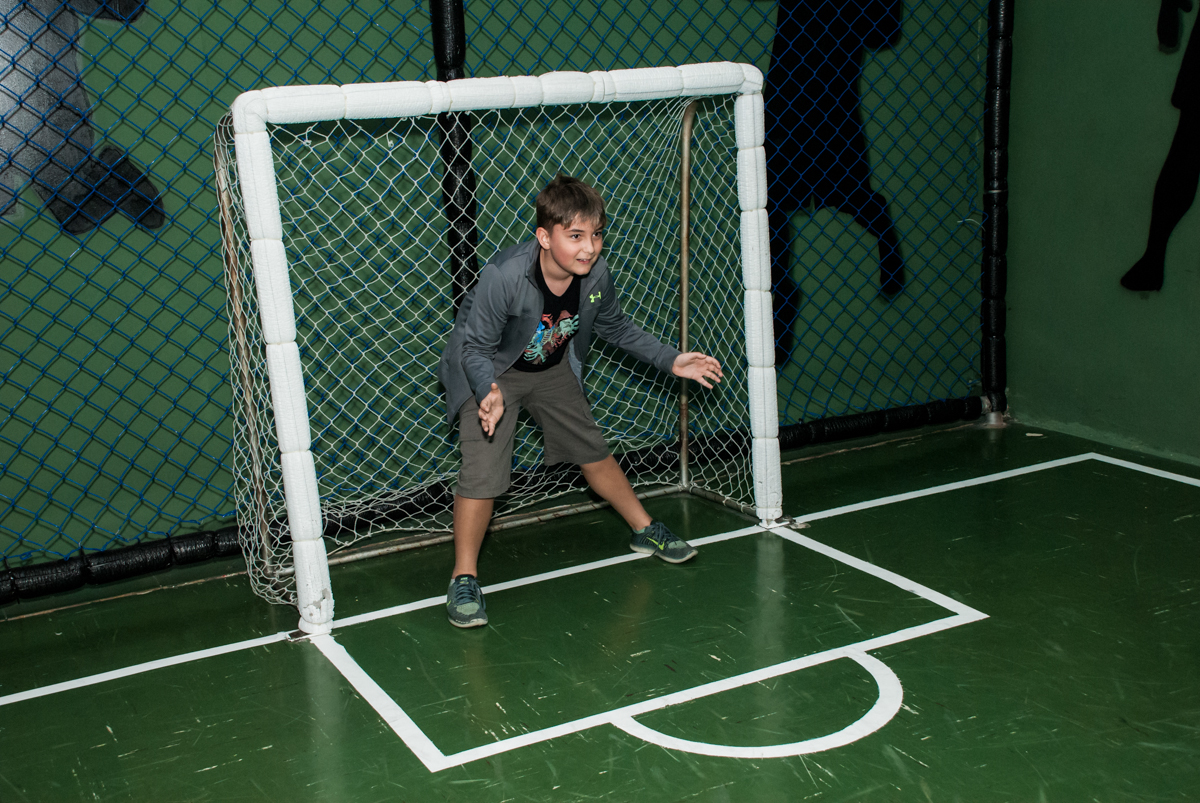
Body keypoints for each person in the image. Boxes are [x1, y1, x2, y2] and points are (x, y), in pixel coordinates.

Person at [437, 174, 724, 628]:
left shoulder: (596, 276)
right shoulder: (505, 276)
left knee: (592, 448)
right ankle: (463, 577)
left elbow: (616, 328)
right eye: (575, 236)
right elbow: (473, 347)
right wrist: (486, 391)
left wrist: (672, 360)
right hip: (492, 373)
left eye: (595, 234)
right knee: (483, 471)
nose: (589, 247)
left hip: (550, 368)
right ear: (544, 237)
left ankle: (644, 530)